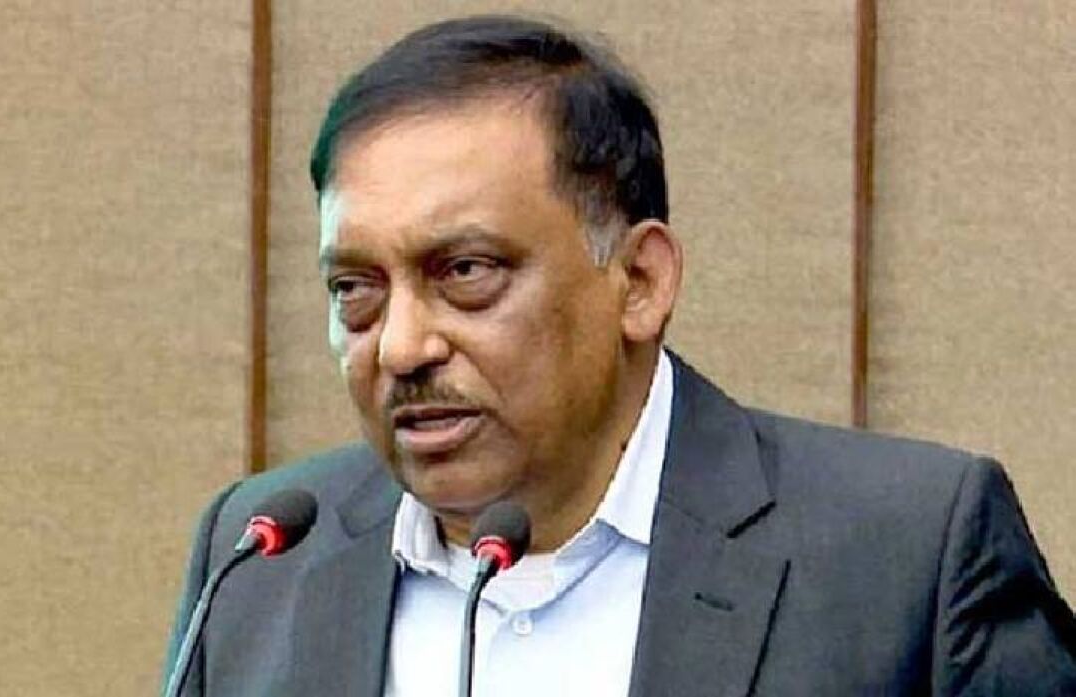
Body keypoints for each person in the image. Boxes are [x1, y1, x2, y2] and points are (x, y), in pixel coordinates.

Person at [163, 15, 1076, 696]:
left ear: (638, 280)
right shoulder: (260, 559)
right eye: (354, 289)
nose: (401, 345)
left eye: (466, 272)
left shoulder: (906, 556)